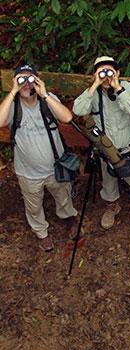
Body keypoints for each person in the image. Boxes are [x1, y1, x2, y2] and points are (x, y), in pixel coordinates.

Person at [0, 64, 78, 252]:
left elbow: (67, 117)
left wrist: (44, 94)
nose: (27, 85)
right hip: (28, 172)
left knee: (63, 196)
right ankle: (41, 232)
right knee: (33, 206)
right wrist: (13, 92)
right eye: (22, 80)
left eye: (31, 80)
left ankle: (69, 218)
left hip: (56, 167)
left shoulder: (48, 100)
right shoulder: (13, 106)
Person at [73, 56, 130, 232]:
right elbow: (78, 110)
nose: (106, 76)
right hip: (106, 150)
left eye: (110, 71)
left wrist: (118, 88)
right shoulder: (92, 93)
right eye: (101, 72)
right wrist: (94, 85)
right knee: (108, 182)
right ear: (95, 74)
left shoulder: (129, 88)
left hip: (129, 147)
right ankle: (112, 206)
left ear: (117, 73)